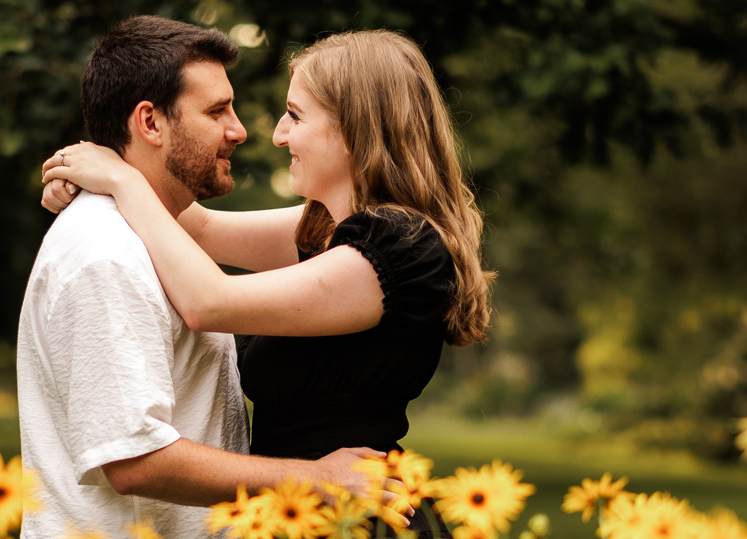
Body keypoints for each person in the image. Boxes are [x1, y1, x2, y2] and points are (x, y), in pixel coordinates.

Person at [15, 16, 380, 539]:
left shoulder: (153, 235)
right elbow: (134, 459)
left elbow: (205, 253)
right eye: (217, 112)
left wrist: (112, 178)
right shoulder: (107, 255)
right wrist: (315, 479)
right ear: (150, 121)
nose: (244, 131)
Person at [38, 29, 492, 471]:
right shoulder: (333, 228)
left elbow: (208, 302)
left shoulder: (398, 247)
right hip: (296, 510)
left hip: (351, 518)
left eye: (295, 115)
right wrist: (92, 170)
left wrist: (120, 179)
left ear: (354, 128)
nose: (277, 135)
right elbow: (199, 228)